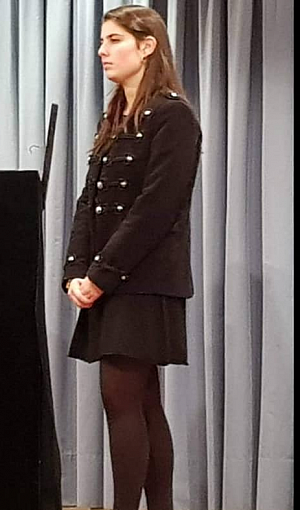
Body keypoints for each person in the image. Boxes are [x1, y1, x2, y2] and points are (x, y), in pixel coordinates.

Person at [62, 6, 201, 510]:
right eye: (102, 40)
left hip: (143, 282)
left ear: (147, 47)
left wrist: (99, 275)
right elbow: (89, 199)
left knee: (123, 402)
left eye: (114, 40)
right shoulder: (116, 115)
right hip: (110, 280)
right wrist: (74, 270)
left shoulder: (172, 115)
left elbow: (156, 208)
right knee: (141, 403)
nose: (103, 50)